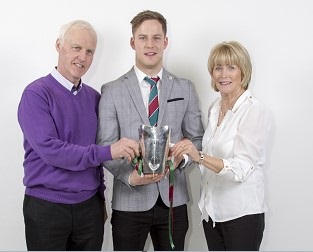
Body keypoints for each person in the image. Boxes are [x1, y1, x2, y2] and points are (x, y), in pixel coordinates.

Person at [17, 20, 139, 251]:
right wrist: (110, 151)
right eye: (76, 48)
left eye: (89, 51)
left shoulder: (93, 98)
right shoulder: (36, 94)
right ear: (58, 46)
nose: (82, 57)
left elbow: (95, 159)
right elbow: (52, 151)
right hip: (46, 208)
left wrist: (101, 198)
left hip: (89, 209)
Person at [97, 10, 204, 251]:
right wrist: (129, 177)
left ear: (165, 42)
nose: (150, 45)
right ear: (133, 42)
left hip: (173, 201)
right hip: (129, 202)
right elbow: (106, 144)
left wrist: (182, 159)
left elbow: (197, 139)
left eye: (156, 38)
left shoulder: (185, 88)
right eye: (143, 38)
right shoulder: (112, 90)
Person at [172, 41, 271, 251]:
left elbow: (241, 168)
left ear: (243, 72)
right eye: (218, 68)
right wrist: (183, 154)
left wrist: (198, 156)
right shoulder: (215, 107)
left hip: (241, 215)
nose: (223, 74)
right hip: (212, 213)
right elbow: (209, 155)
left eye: (231, 67)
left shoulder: (254, 111)